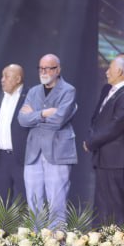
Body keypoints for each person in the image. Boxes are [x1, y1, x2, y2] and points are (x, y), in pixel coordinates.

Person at [18, 54, 77, 228]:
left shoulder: (68, 90)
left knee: (56, 202)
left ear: (57, 70)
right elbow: (22, 120)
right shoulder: (33, 91)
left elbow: (59, 120)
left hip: (58, 150)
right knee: (33, 201)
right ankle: (36, 240)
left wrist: (34, 116)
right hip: (33, 151)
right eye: (41, 68)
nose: (43, 72)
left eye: (48, 68)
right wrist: (44, 114)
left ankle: (56, 241)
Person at [86, 53, 124, 227]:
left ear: (119, 71)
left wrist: (92, 142)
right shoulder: (110, 90)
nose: (106, 72)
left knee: (116, 204)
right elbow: (98, 119)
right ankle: (99, 237)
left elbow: (115, 125)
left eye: (109, 68)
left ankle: (118, 238)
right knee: (101, 204)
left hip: (116, 157)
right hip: (103, 155)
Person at [0, 64, 30, 205]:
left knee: (23, 200)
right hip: (0, 159)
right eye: (2, 76)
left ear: (18, 79)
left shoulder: (30, 97)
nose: (2, 80)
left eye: (7, 76)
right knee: (1, 201)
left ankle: (24, 222)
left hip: (22, 158)